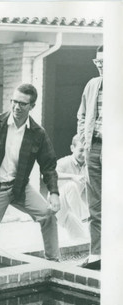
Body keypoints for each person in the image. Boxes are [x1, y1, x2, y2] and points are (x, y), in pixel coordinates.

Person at [0, 83, 61, 272]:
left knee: (48, 215)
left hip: (19, 186)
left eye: (22, 104)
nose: (16, 107)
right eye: (14, 101)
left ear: (32, 106)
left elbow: (48, 166)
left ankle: (54, 266)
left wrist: (54, 193)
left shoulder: (38, 133)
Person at [77, 45, 103, 270]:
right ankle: (96, 255)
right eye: (98, 62)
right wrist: (82, 143)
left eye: (106, 61)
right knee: (94, 204)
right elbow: (82, 115)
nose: (101, 65)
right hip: (93, 149)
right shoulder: (92, 85)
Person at [56, 134, 89, 243]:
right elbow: (46, 175)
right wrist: (72, 176)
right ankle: (84, 217)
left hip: (69, 214)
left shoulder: (88, 166)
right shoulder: (64, 161)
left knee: (83, 240)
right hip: (56, 208)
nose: (84, 154)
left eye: (86, 150)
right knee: (71, 185)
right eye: (80, 150)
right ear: (72, 148)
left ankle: (81, 219)